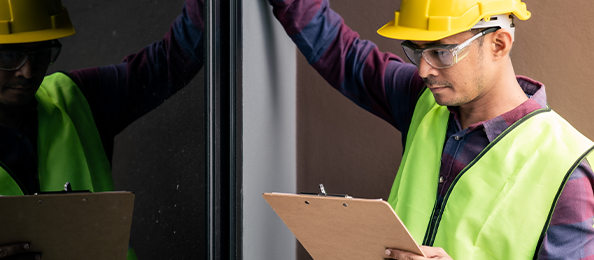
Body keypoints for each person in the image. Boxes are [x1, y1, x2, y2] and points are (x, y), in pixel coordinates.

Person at [268, 0, 594, 259]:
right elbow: (346, 56)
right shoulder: (424, 101)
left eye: (441, 52)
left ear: (498, 43)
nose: (424, 69)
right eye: (416, 50)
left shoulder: (567, 171)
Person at [0, 0, 203, 259]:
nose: (27, 72)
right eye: (8, 55)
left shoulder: (75, 98)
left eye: (42, 54)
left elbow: (169, 61)